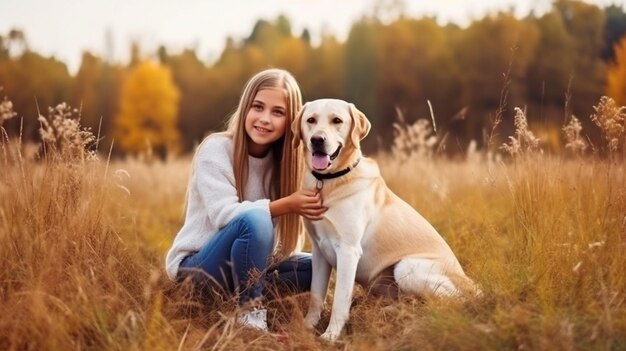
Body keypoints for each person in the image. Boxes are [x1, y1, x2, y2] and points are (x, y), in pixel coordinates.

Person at [164, 68, 326, 332]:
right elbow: (225, 215)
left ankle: (245, 292)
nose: (264, 119)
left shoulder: (289, 165)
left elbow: (285, 247)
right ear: (245, 108)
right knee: (254, 219)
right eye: (258, 107)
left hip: (249, 267)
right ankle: (250, 315)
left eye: (278, 112)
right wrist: (286, 205)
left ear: (291, 122)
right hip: (199, 270)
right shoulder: (216, 150)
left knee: (320, 263)